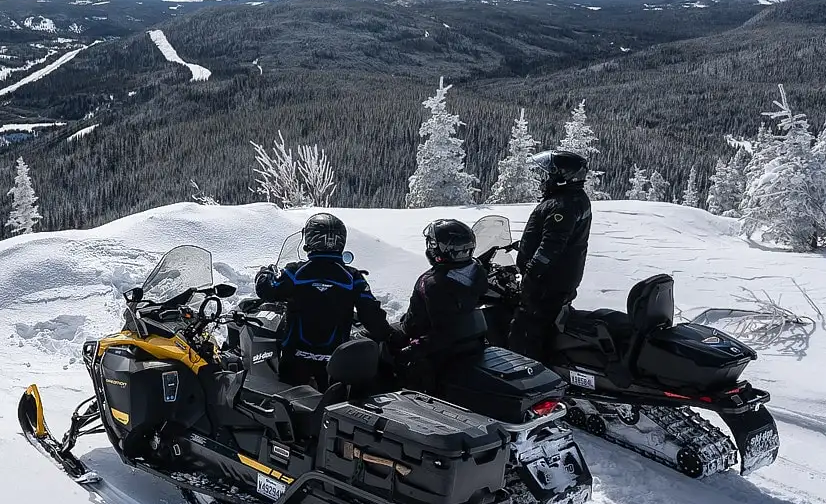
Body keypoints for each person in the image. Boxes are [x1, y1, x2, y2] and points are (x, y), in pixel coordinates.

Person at [254, 212, 394, 387]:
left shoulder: (295, 272)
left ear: (310, 239)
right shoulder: (352, 277)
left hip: (295, 356)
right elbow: (371, 315)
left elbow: (267, 290)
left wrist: (263, 274)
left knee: (286, 402)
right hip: (334, 360)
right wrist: (389, 335)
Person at [509, 149, 593, 361]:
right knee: (547, 325)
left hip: (546, 283)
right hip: (561, 278)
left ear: (562, 177)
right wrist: (524, 245)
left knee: (526, 330)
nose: (545, 179)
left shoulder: (562, 205)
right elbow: (560, 237)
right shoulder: (575, 199)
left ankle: (526, 375)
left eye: (550, 174)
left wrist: (531, 274)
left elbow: (551, 245)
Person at [396, 219, 491, 395]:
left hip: (435, 346)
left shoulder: (433, 283)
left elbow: (438, 330)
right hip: (468, 341)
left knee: (383, 345)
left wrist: (414, 347)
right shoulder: (476, 271)